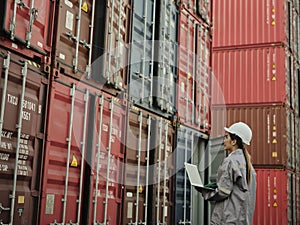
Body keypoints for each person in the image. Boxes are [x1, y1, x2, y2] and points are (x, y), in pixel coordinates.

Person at [199, 122, 257, 225]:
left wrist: (204, 191)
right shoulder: (248, 166)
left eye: (226, 137)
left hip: (227, 220)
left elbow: (223, 191)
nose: (224, 140)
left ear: (234, 141)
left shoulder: (230, 161)